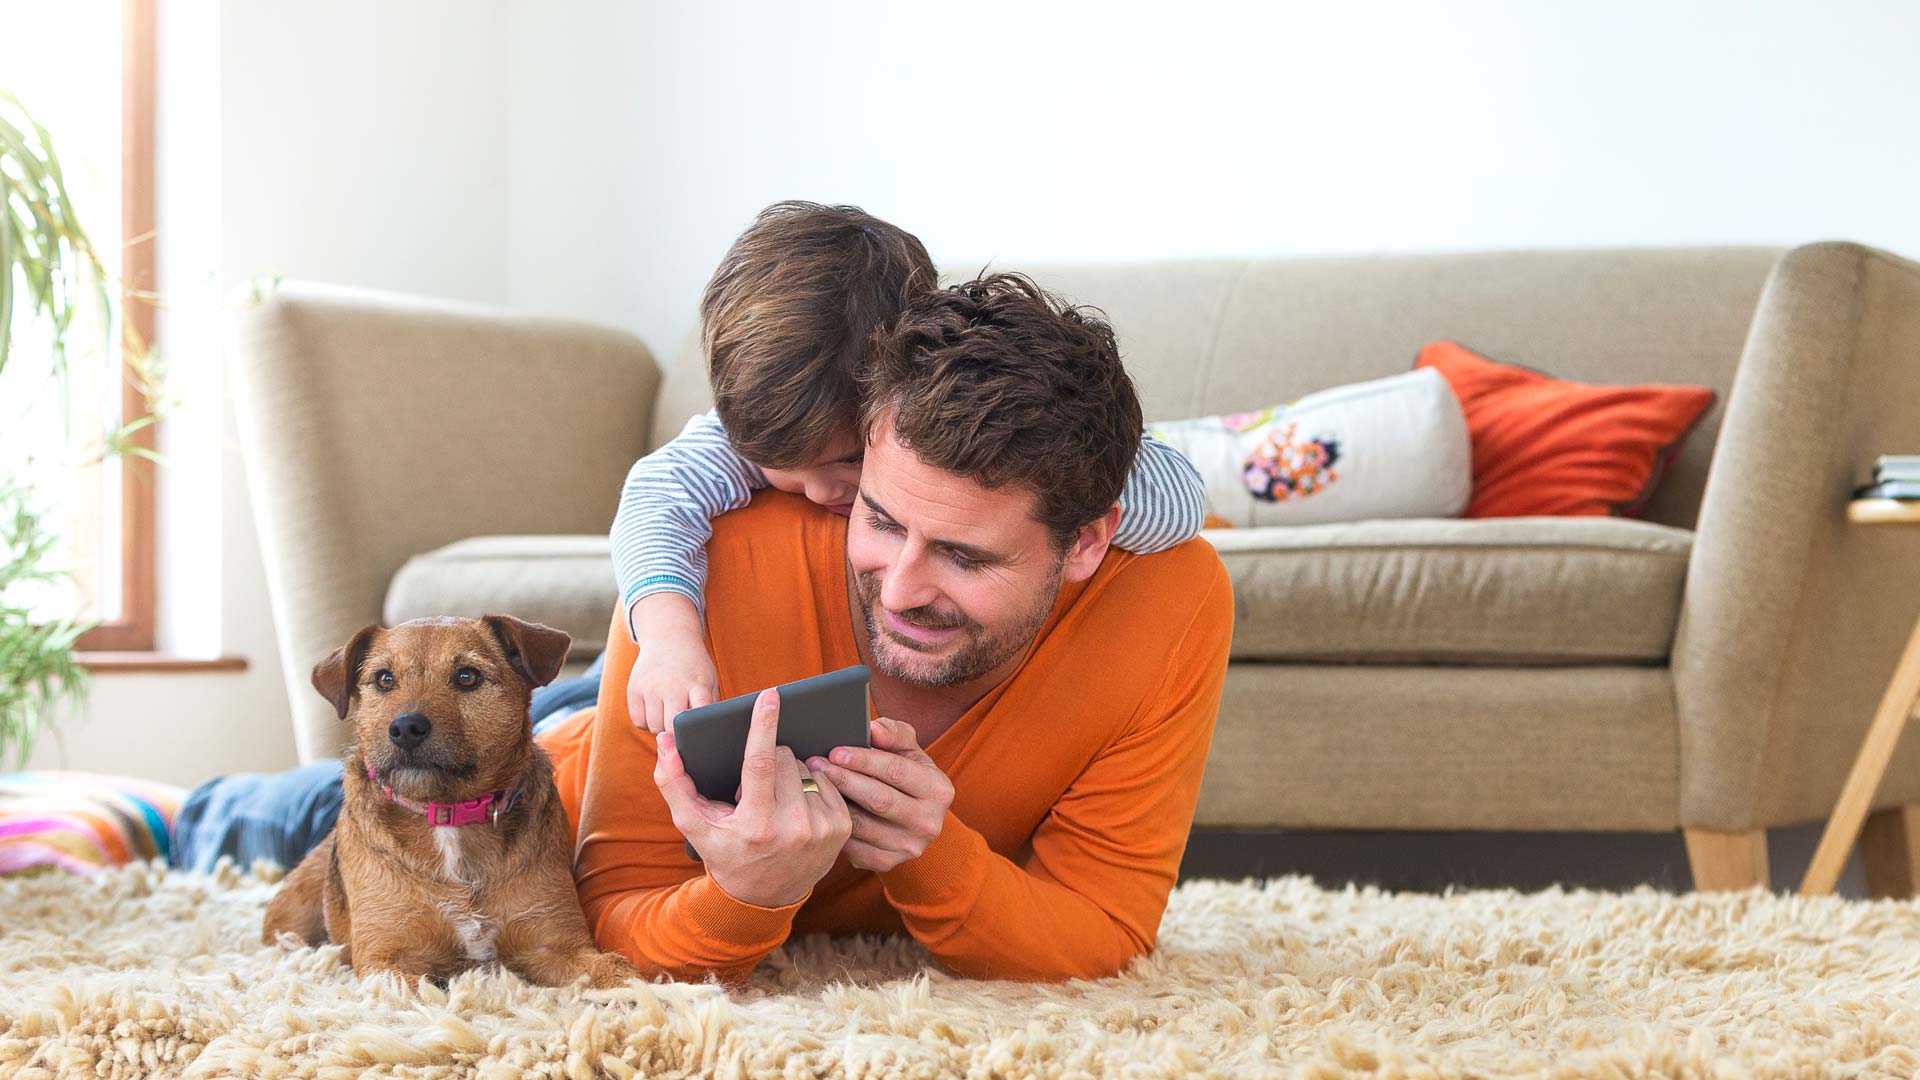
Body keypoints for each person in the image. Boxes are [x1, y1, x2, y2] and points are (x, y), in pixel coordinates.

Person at [538, 273, 1233, 984]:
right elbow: (608, 928)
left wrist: (933, 857)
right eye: (879, 520)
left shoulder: (1168, 595)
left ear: (1086, 541)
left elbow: (1103, 934)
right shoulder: (707, 559)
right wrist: (745, 895)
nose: (900, 593)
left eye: (965, 556)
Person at [610, 201, 1207, 737]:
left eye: (848, 460)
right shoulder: (766, 425)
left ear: (898, 392)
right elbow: (655, 499)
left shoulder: (953, 416)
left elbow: (1181, 507)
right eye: (779, 467)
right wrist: (668, 640)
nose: (819, 492)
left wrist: (1055, 475)